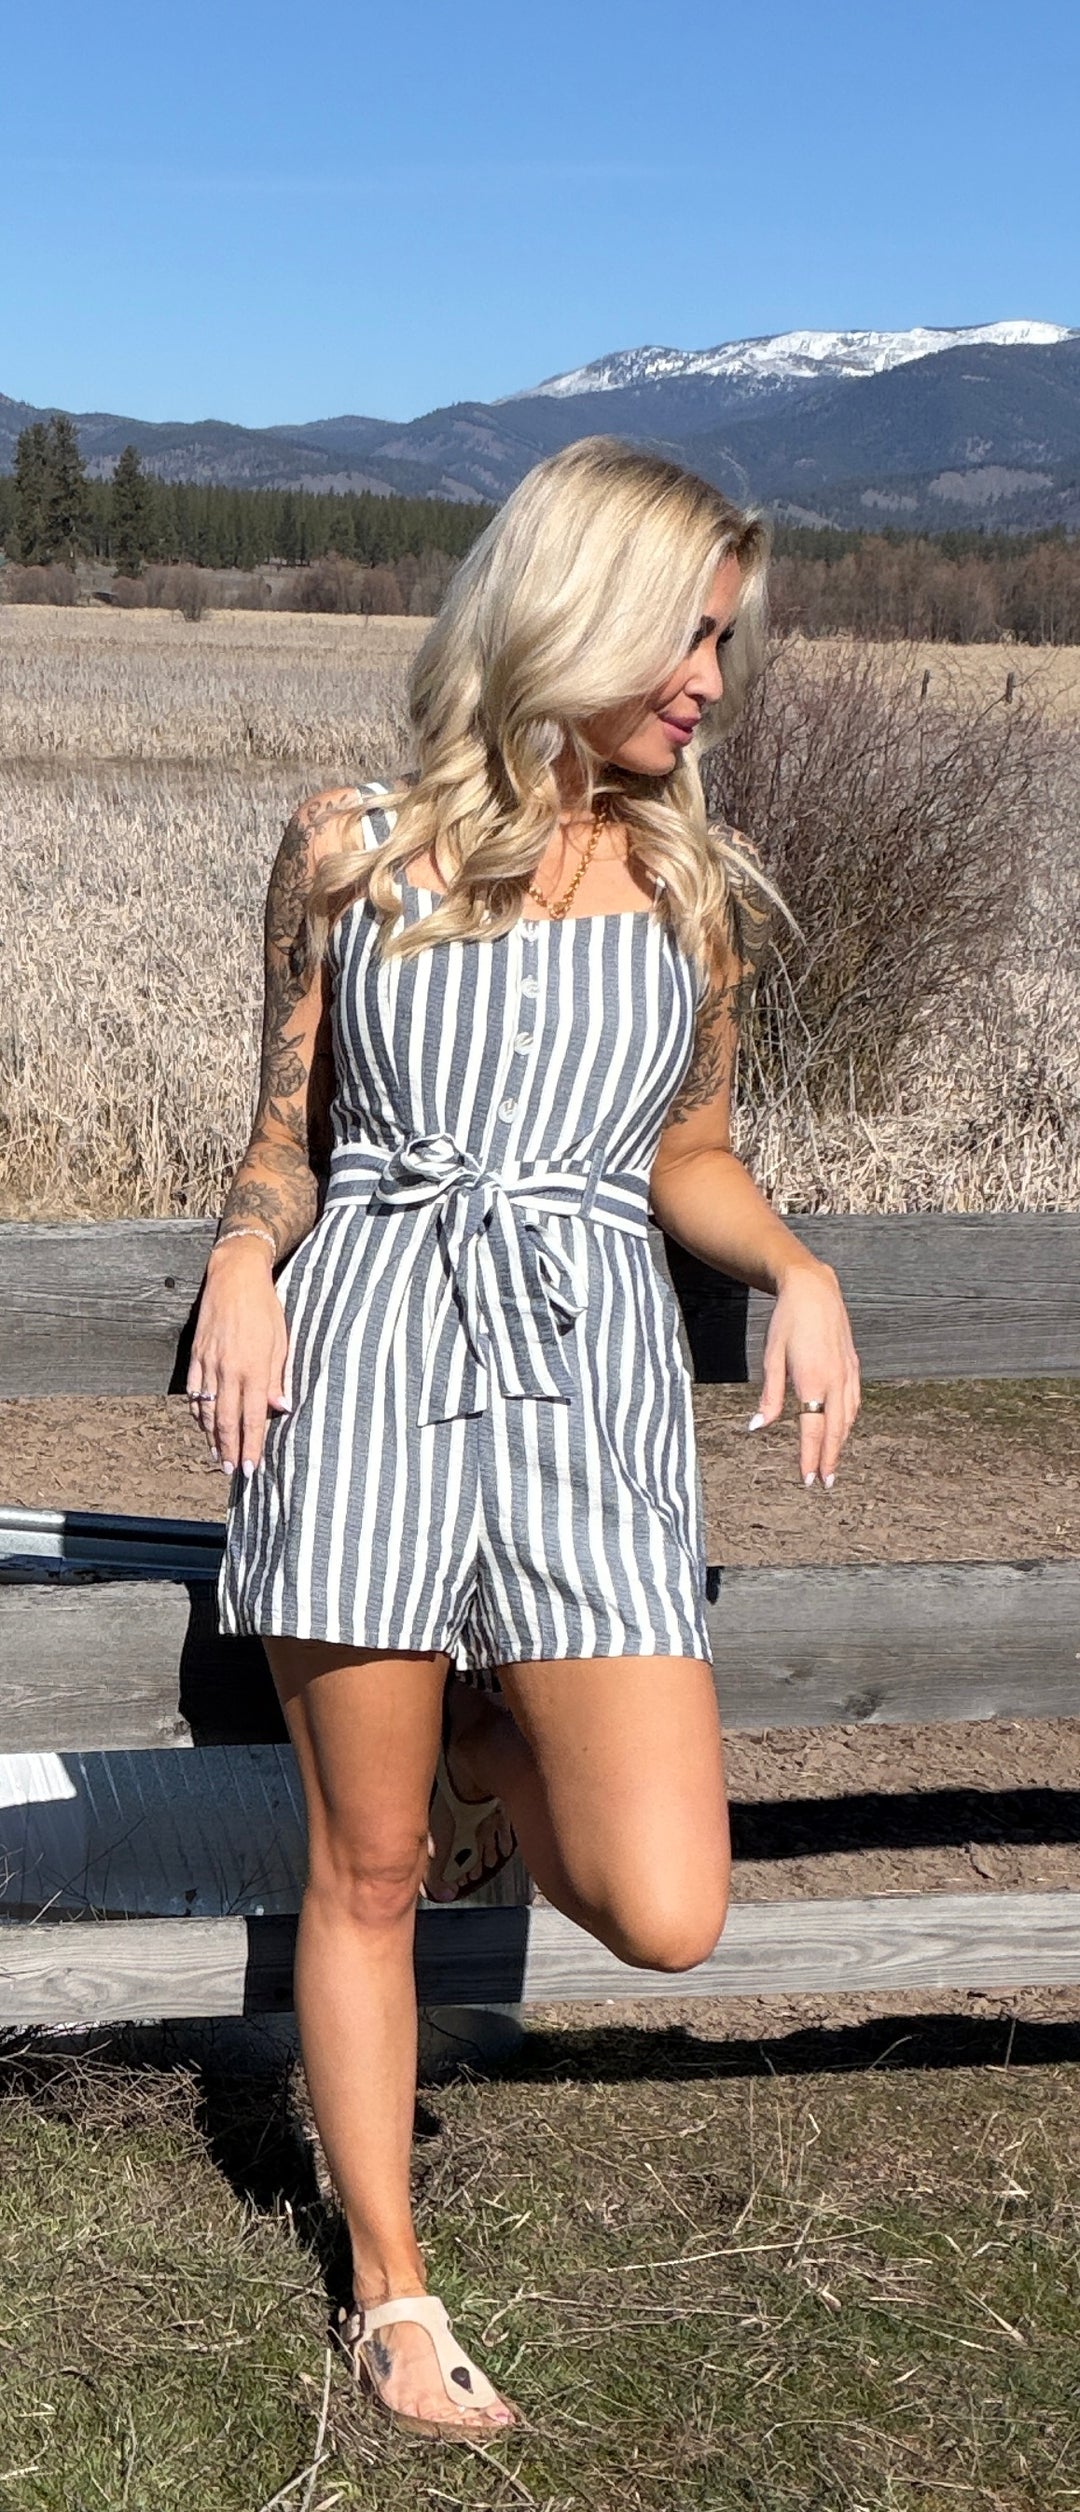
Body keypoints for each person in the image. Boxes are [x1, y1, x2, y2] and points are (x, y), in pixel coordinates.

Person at [189, 437, 860, 2440]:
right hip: (371, 1356)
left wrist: (798, 1261)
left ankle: (495, 1729)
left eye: (726, 640)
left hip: (588, 1394)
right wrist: (239, 1257)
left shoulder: (685, 884)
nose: (712, 681)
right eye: (690, 631)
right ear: (571, 601)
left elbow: (695, 1158)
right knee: (366, 1863)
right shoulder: (348, 843)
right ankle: (393, 2288)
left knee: (665, 1898)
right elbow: (286, 1143)